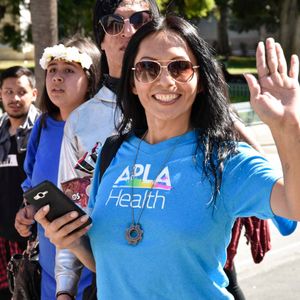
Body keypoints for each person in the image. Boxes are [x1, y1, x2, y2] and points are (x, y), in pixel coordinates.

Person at [34, 15, 300, 299]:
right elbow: (110, 264)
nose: (165, 80)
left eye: (180, 67)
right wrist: (74, 243)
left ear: (200, 81)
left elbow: (293, 205)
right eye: (148, 68)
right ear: (134, 82)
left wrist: (289, 130)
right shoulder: (111, 154)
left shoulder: (224, 160)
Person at [55, 0, 160, 298]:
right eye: (114, 24)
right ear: (100, 40)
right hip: (110, 279)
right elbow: (70, 207)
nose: (128, 31)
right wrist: (65, 288)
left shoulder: (183, 105)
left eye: (140, 19)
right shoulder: (81, 121)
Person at [14, 36, 101, 300]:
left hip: (93, 265)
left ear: (90, 79)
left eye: (68, 71)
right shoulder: (42, 126)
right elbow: (32, 182)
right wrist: (26, 210)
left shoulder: (106, 131)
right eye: (52, 70)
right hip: (50, 264)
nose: (56, 78)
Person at [0, 66, 39, 300]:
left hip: (32, 236)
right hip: (2, 235)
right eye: (8, 91)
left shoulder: (44, 129)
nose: (14, 98)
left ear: (34, 94)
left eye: (21, 91)